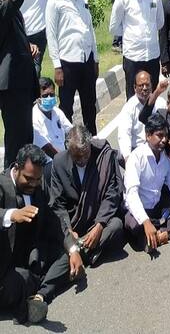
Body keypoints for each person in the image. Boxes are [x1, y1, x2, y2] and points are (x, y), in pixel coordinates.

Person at [0, 145, 73, 324]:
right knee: (21, 280)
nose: (33, 184)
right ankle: (35, 294)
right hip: (5, 266)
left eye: (37, 179)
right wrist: (11, 215)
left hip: (30, 254)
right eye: (28, 179)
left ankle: (39, 296)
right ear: (16, 168)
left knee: (66, 257)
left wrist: (72, 248)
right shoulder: (1, 185)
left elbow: (52, 218)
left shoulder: (38, 185)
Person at [48, 126, 124, 268]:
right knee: (54, 233)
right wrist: (68, 231)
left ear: (90, 145)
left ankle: (78, 254)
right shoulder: (59, 162)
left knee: (116, 225)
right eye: (77, 156)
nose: (82, 159)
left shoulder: (103, 155)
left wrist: (100, 225)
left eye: (86, 154)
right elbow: (57, 203)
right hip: (74, 224)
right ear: (68, 150)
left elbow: (112, 193)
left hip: (99, 217)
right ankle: (83, 250)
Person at [124, 113, 170, 252]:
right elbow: (131, 195)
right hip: (139, 211)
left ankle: (160, 233)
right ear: (148, 135)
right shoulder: (136, 157)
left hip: (158, 208)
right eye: (159, 135)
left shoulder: (166, 157)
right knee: (132, 225)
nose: (164, 140)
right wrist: (145, 221)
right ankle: (167, 229)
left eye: (165, 136)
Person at [46, 0, 99, 135]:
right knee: (66, 108)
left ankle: (93, 144)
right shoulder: (55, 0)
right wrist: (57, 66)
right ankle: (67, 145)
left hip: (86, 59)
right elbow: (51, 35)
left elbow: (89, 28)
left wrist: (96, 59)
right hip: (67, 63)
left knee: (89, 105)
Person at [0, 0, 38, 168]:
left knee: (25, 137)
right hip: (11, 87)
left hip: (21, 83)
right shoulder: (3, 8)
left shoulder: (8, 11)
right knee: (15, 140)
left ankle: (26, 183)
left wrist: (28, 45)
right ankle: (9, 188)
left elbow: (10, 39)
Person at [109, 0, 164, 100]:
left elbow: (160, 23)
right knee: (133, 98)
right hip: (133, 57)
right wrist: (131, 35)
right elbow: (114, 27)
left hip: (152, 56)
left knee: (152, 98)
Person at [117, 71, 166, 164]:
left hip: (158, 149)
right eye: (141, 85)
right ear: (135, 88)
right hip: (137, 151)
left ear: (152, 86)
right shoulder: (128, 108)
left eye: (147, 85)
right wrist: (128, 158)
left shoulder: (161, 103)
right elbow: (124, 134)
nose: (144, 88)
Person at [32, 78, 72, 182]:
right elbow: (47, 148)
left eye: (52, 95)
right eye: (45, 96)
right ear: (38, 97)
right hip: (47, 165)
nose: (49, 98)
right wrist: (66, 161)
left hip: (62, 159)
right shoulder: (33, 117)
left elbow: (71, 131)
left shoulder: (56, 111)